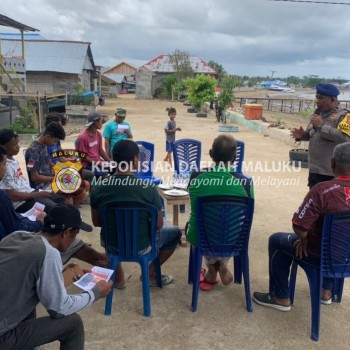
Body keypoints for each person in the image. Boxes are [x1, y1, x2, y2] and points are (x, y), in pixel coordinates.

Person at [0, 202, 113, 350]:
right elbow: (59, 309)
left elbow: (30, 281)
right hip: (3, 337)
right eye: (75, 235)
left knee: (28, 298)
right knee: (73, 324)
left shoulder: (16, 237)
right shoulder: (48, 253)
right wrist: (95, 293)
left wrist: (64, 274)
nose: (75, 240)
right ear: (65, 233)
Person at [253, 142, 350, 311]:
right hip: (346, 257)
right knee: (339, 242)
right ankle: (326, 291)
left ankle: (280, 296)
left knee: (277, 240)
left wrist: (305, 238)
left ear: (333, 163)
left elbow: (299, 225)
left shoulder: (322, 190)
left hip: (319, 255)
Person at [90, 139, 181, 288]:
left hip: (112, 245)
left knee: (111, 232)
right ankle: (150, 274)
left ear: (113, 159)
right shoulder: (149, 188)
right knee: (175, 233)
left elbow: (97, 222)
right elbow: (158, 225)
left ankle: (118, 279)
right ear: (134, 160)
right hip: (142, 246)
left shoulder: (98, 188)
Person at [187, 134, 254, 291]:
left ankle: (213, 268)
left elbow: (190, 198)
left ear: (211, 154)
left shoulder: (196, 177)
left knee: (202, 225)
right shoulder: (246, 183)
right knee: (226, 224)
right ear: (235, 158)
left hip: (202, 237)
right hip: (234, 240)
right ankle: (220, 265)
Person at [291, 83, 350, 188]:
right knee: (315, 201)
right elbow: (312, 134)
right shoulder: (319, 113)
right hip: (315, 169)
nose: (317, 101)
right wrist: (302, 136)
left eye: (321, 98)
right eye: (316, 97)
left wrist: (321, 126)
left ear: (332, 100)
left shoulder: (344, 115)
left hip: (330, 172)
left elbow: (345, 139)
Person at [0, 128, 58, 213]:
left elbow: (21, 183)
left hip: (29, 194)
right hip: (21, 204)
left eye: (18, 143)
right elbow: (12, 195)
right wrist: (37, 194)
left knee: (61, 199)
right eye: (14, 145)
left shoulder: (14, 161)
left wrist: (36, 193)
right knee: (56, 208)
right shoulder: (5, 167)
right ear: (3, 147)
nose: (18, 147)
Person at [0, 146, 44, 235]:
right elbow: (16, 229)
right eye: (4, 164)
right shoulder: (2, 196)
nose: (5, 168)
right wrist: (39, 222)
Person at [76, 110, 111, 178]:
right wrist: (98, 164)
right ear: (96, 123)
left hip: (97, 162)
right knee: (105, 175)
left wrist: (110, 161)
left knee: (114, 169)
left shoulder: (98, 134)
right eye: (101, 121)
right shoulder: (82, 137)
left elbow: (100, 150)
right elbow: (83, 156)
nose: (102, 123)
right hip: (87, 165)